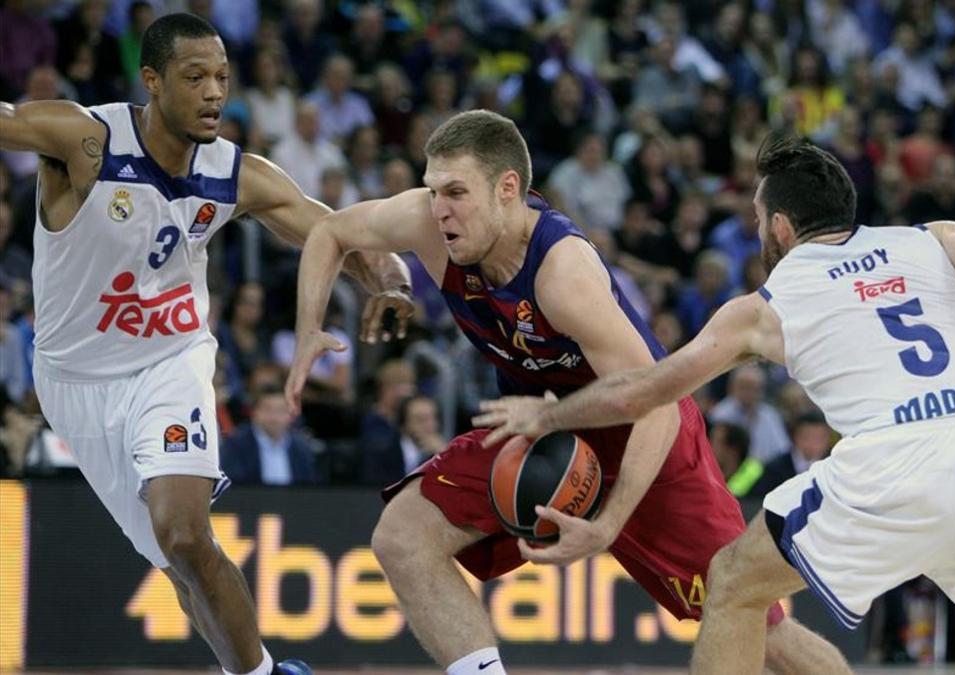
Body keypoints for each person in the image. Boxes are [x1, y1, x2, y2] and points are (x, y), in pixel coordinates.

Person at [474, 138, 955, 674]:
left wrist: (548, 415)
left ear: (780, 227)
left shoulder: (764, 305)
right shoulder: (927, 242)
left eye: (759, 218)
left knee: (731, 583)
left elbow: (647, 388)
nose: (759, 232)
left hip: (901, 458)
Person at [286, 110, 850, 675]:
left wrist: (606, 526)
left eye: (456, 192)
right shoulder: (428, 223)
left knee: (756, 623)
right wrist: (330, 316)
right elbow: (331, 231)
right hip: (540, 426)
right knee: (403, 538)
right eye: (434, 191)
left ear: (509, 189)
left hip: (645, 437)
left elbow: (652, 406)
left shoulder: (562, 272)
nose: (440, 209)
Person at [0, 13, 414, 675]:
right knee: (178, 563)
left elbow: (329, 229)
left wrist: (387, 275)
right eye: (195, 77)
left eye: (222, 76)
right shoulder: (87, 139)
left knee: (187, 531)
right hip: (74, 381)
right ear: (153, 80)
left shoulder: (233, 171)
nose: (214, 92)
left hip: (172, 361)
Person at [221, 386, 320, 486]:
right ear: (255, 412)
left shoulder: (301, 448)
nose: (274, 417)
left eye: (281, 410)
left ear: (291, 415)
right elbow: (234, 486)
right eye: (268, 410)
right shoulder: (236, 444)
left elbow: (309, 486)